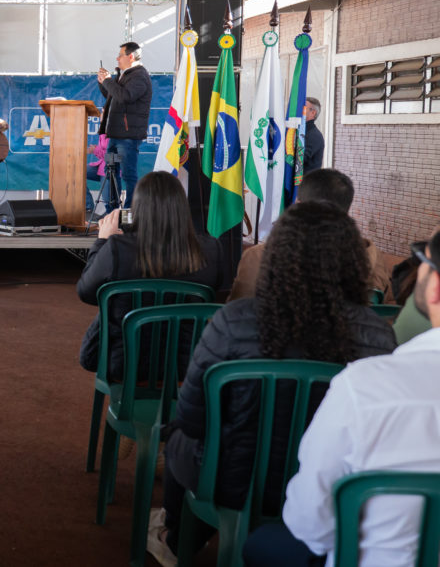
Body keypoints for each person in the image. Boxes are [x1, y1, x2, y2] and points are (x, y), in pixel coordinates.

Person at [149, 201, 396, 567]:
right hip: (332, 489)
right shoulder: (379, 336)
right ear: (353, 263)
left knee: (179, 437)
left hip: (232, 479)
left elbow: (192, 416)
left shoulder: (232, 321)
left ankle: (177, 538)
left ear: (275, 257)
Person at [244, 229, 440, 566]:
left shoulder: (365, 387)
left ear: (435, 287)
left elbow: (309, 525)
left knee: (263, 545)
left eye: (422, 257)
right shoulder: (373, 355)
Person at [77, 171, 230, 381]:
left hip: (121, 362)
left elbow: (85, 292)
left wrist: (102, 241)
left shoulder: (116, 248)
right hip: (186, 365)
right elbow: (215, 296)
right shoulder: (212, 249)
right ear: (182, 209)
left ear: (138, 210)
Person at [227, 168, 392, 302]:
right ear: (347, 209)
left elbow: (237, 312)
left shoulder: (258, 257)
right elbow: (385, 310)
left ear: (298, 204)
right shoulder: (372, 258)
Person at [96, 41, 151, 211]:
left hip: (127, 137)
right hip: (115, 135)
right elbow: (112, 96)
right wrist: (103, 82)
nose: (117, 58)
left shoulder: (139, 76)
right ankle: (112, 211)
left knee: (128, 175)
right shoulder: (124, 74)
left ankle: (129, 213)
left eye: (120, 55)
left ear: (131, 56)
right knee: (110, 171)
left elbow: (125, 96)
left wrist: (108, 81)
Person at [303, 96, 325, 174]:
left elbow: (301, 159)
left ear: (313, 113)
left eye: (304, 108)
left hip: (305, 184)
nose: (299, 110)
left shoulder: (315, 135)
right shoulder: (301, 131)